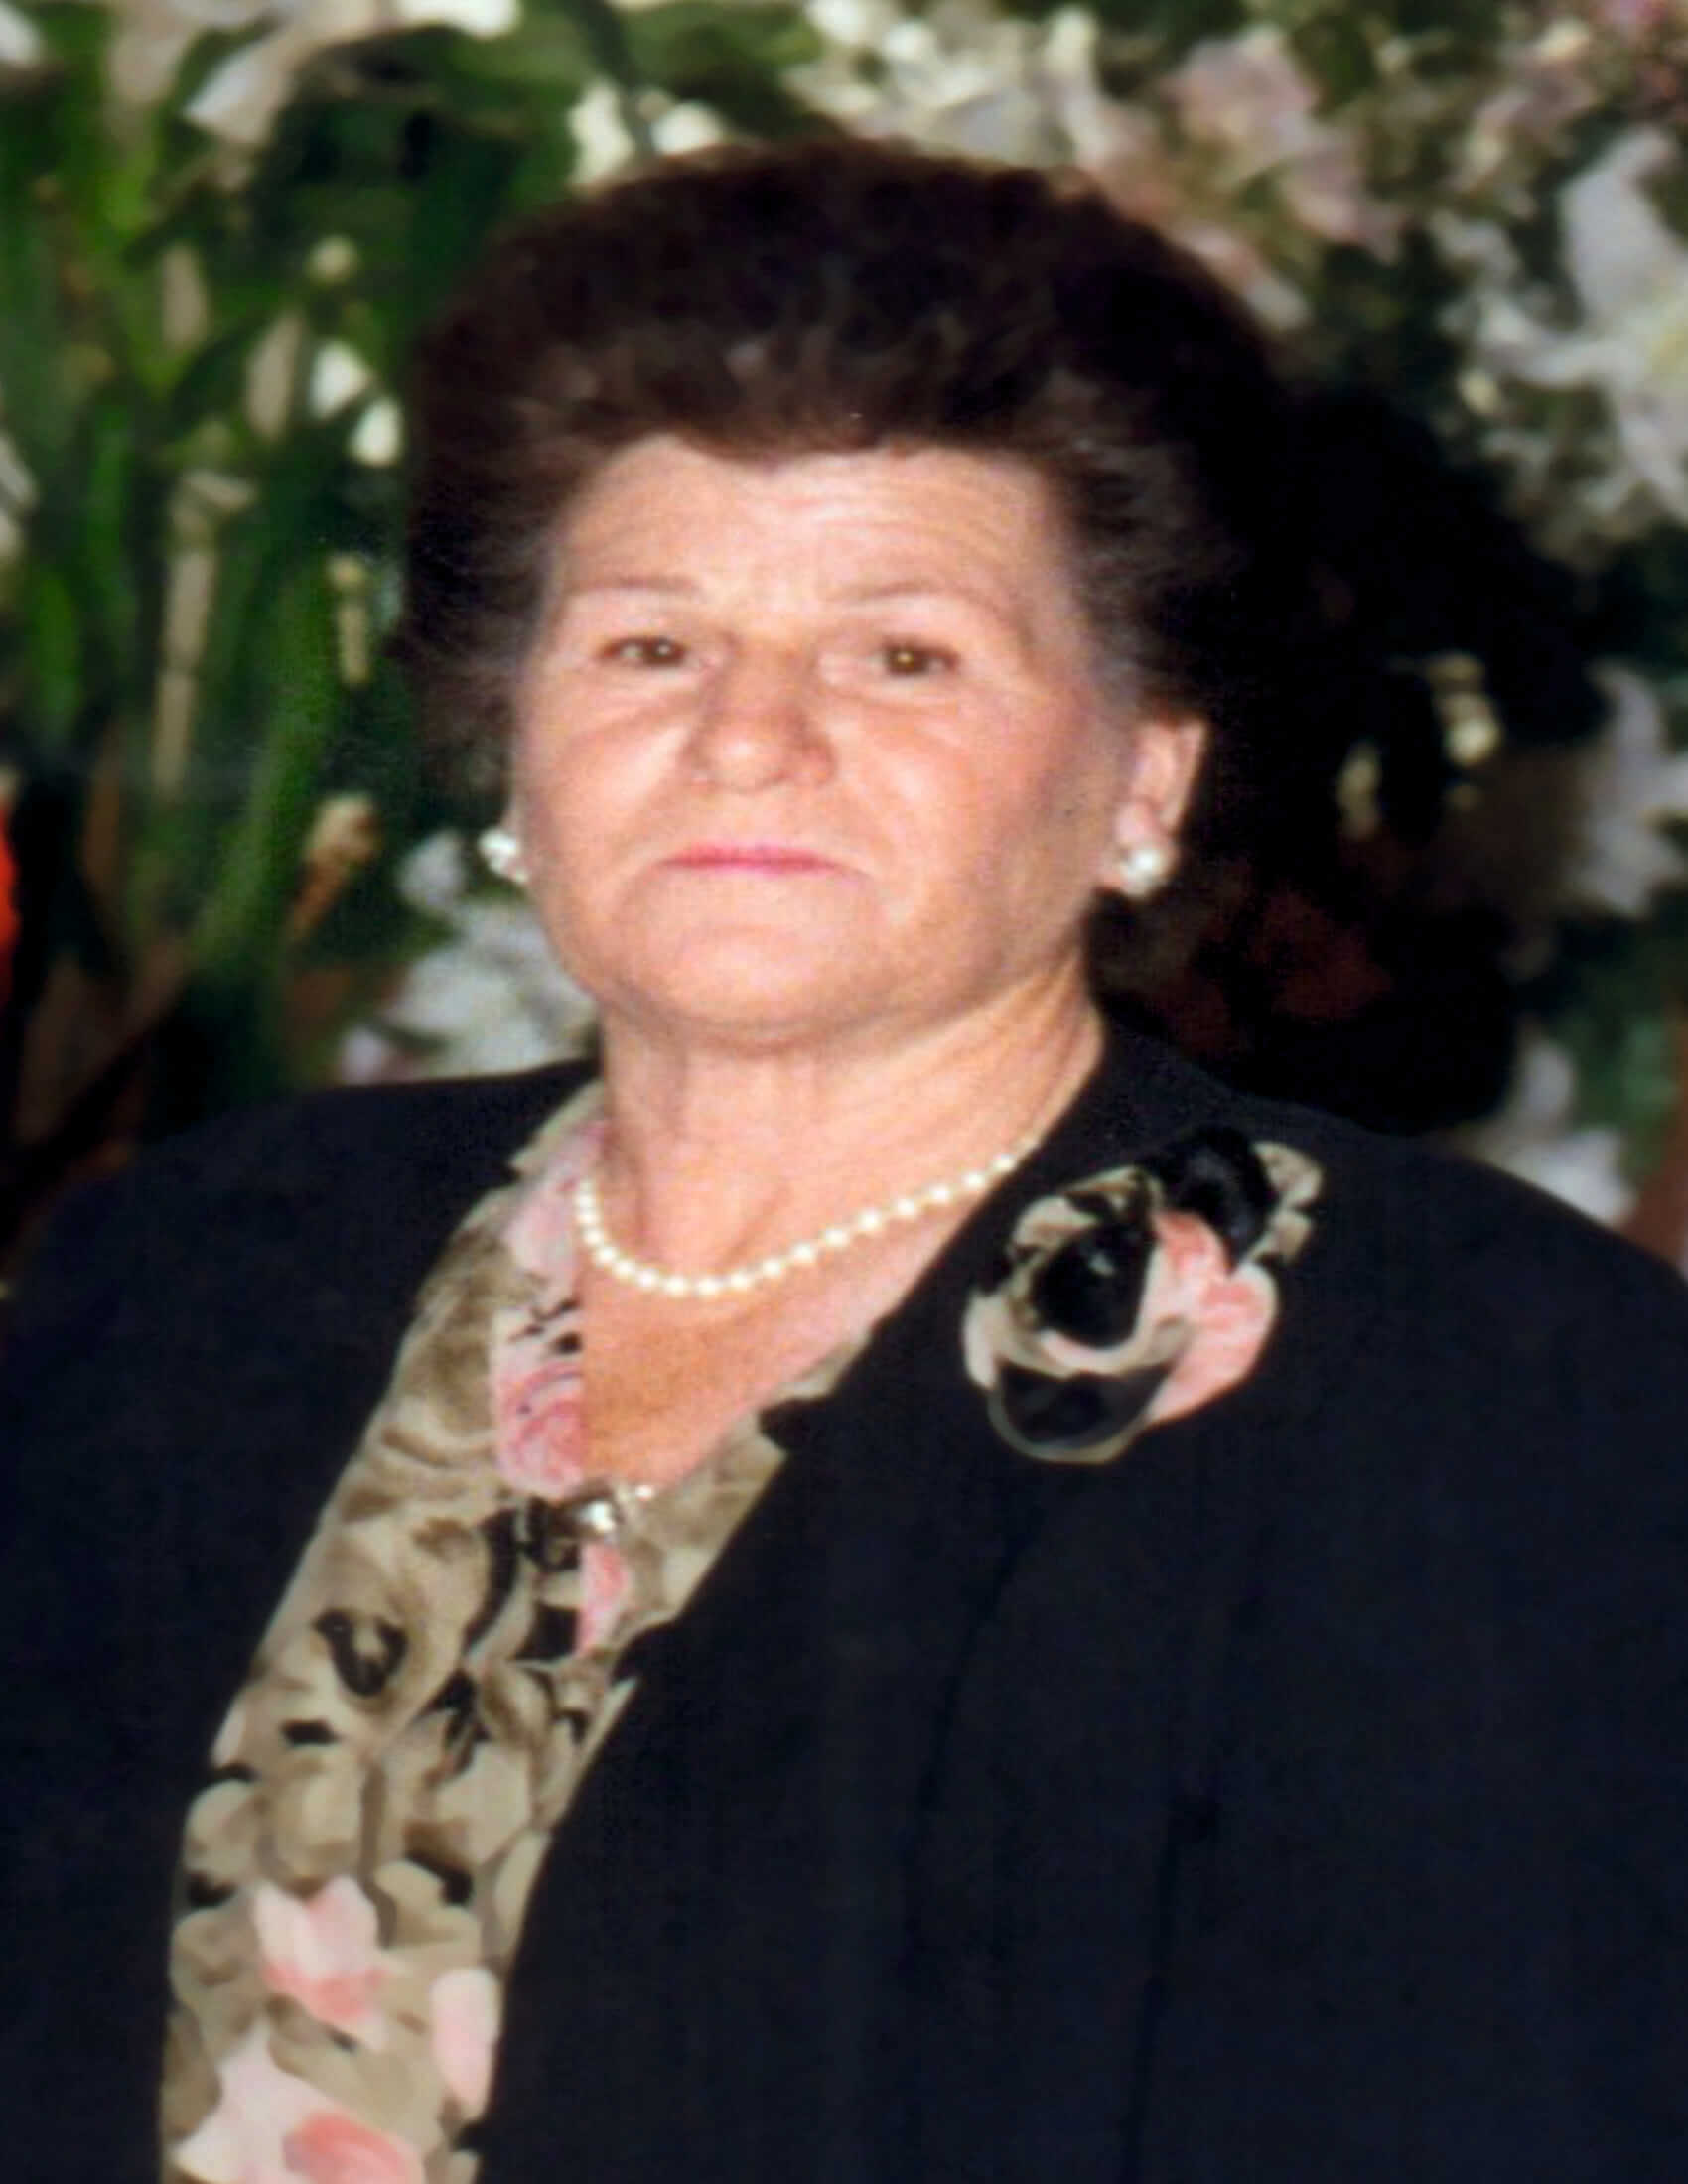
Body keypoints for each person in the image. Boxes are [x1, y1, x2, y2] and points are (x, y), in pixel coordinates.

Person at [3, 137, 1685, 2184]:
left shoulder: (1477, 1378)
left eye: (902, 655)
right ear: (513, 735)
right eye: (648, 645)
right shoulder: (189, 1271)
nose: (745, 736)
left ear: (1141, 776)